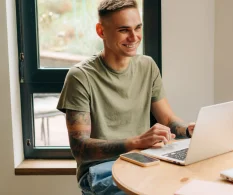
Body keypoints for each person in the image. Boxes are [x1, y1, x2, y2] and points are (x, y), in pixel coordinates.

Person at [57, 0, 195, 194]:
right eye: (124, 30)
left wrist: (189, 130)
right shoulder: (80, 76)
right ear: (101, 31)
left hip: (145, 162)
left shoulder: (147, 66)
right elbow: (80, 148)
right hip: (101, 170)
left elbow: (168, 120)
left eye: (138, 28)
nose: (134, 37)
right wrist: (136, 142)